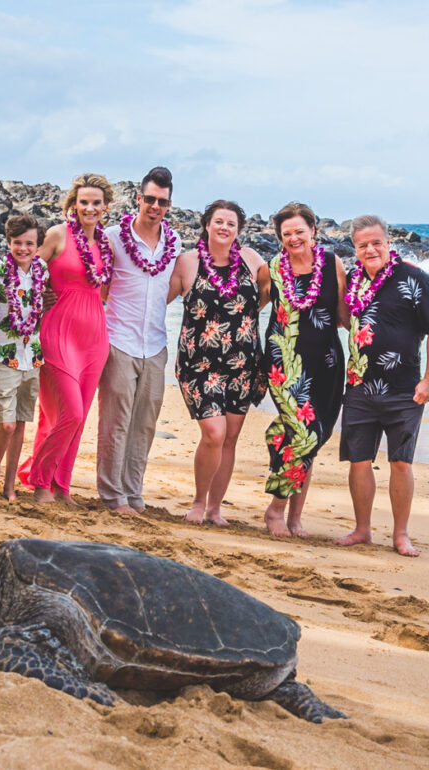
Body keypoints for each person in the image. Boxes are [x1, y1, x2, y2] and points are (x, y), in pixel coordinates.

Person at [336, 215, 429, 557]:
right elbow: (344, 320)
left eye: (376, 243)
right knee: (358, 460)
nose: (370, 250)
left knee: (400, 461)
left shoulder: (416, 279)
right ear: (355, 248)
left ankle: (401, 535)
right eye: (362, 245)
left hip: (405, 388)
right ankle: (362, 529)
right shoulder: (353, 280)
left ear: (388, 243)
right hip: (359, 385)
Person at [168, 200, 270, 526]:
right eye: (219, 221)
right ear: (207, 224)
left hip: (243, 365)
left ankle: (215, 509)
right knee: (214, 432)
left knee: (229, 438)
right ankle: (199, 502)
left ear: (238, 230)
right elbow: (156, 300)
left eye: (231, 223)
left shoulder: (252, 260)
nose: (225, 227)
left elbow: (268, 295)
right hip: (199, 366)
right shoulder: (187, 263)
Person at [18, 174, 113, 503]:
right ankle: (40, 481)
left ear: (105, 206)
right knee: (69, 413)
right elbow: (26, 268)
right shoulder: (58, 234)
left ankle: (62, 487)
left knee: (78, 418)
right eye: (83, 202)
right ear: (74, 204)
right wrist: (39, 295)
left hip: (95, 338)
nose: (89, 208)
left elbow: (105, 290)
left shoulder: (105, 245)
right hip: (58, 331)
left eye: (96, 202)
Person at [258, 202, 347, 537]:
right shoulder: (271, 269)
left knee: (313, 439)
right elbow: (249, 309)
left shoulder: (332, 263)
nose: (294, 238)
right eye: (286, 234)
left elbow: (343, 316)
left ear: (313, 230)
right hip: (284, 365)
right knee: (305, 435)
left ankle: (295, 518)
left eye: (299, 231)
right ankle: (275, 510)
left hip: (327, 364)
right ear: (279, 237)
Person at [96, 167, 182, 514]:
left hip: (156, 344)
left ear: (169, 205)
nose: (155, 206)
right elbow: (100, 287)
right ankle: (112, 495)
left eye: (162, 201)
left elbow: (171, 288)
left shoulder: (174, 243)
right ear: (138, 198)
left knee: (145, 424)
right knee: (115, 423)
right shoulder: (113, 237)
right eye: (150, 199)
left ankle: (133, 492)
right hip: (119, 339)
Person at [0, 214, 48, 501]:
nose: (23, 248)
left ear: (38, 245)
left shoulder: (42, 270)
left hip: (32, 356)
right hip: (5, 355)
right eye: (17, 243)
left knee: (21, 422)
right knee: (7, 424)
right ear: (8, 242)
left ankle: (10, 484)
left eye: (29, 243)